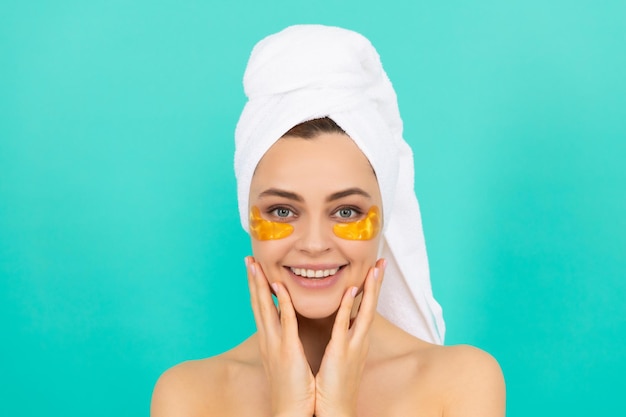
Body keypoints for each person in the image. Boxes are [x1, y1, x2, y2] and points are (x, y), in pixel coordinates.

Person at [151, 25, 505, 417]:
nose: (315, 243)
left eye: (346, 211)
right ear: (248, 218)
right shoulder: (189, 395)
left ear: (384, 218)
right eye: (282, 211)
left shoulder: (461, 382)